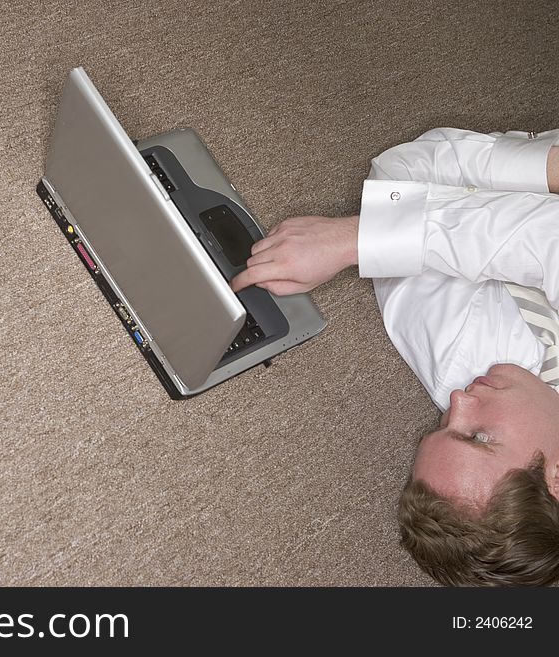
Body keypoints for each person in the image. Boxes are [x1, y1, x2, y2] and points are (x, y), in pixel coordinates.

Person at [231, 128, 559, 586]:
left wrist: (362, 237)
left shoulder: (457, 364)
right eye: (480, 437)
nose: (459, 402)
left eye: (444, 427)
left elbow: (401, 179)